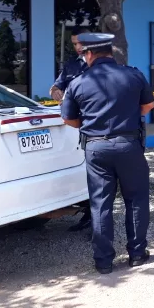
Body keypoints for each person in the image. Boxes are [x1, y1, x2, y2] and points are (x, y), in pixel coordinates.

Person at [61, 33, 154, 274]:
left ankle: (103, 262)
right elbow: (148, 106)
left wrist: (91, 124)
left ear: (89, 54)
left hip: (96, 148)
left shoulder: (78, 82)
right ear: (110, 52)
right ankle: (137, 254)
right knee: (136, 199)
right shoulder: (133, 75)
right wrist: (127, 116)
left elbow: (69, 119)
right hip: (128, 144)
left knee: (100, 203)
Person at [49, 26, 92, 232]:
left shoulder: (102, 65)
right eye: (74, 43)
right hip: (75, 125)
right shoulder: (71, 66)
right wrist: (55, 91)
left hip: (96, 125)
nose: (78, 47)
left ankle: (96, 219)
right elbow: (56, 86)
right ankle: (88, 211)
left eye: (81, 43)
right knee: (82, 169)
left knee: (96, 171)